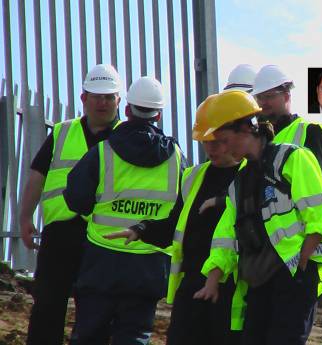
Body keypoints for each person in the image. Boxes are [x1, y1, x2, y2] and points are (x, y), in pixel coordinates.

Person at [194, 90, 322, 345]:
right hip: (259, 282)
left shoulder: (293, 158)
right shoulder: (238, 183)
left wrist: (302, 261)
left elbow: (319, 211)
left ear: (245, 130)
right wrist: (212, 280)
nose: (222, 149)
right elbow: (225, 236)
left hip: (292, 274)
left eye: (224, 140)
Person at [104, 94, 242, 345]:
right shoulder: (193, 176)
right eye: (205, 141)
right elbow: (175, 222)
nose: (210, 148)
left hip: (232, 285)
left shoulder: (249, 175)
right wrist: (141, 229)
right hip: (191, 283)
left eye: (217, 141)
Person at [63, 76, 186, 344]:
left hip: (101, 259)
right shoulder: (176, 158)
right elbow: (182, 210)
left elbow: (75, 198)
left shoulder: (103, 151)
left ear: (127, 109)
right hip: (149, 264)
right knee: (134, 335)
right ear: (159, 114)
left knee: (89, 335)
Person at [19, 63, 122, 345]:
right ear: (83, 98)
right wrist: (25, 218)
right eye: (96, 96)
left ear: (119, 101)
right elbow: (36, 176)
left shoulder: (126, 139)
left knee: (96, 314)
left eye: (108, 96)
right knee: (47, 307)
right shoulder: (63, 132)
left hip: (102, 239)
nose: (102, 102)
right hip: (60, 234)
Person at [252, 64, 322, 176]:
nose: (263, 102)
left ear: (286, 96)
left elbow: (314, 182)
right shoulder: (254, 137)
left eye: (269, 96)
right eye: (259, 97)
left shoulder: (310, 132)